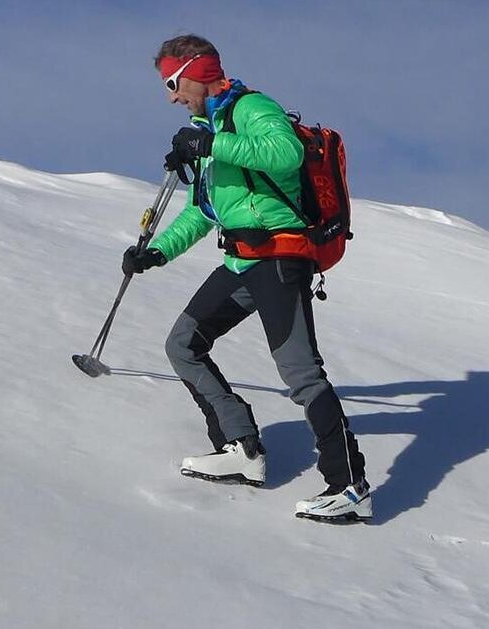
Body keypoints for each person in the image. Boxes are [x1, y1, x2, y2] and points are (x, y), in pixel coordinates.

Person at [126, 34, 370, 523]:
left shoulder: (252, 107)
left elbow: (285, 154)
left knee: (300, 374)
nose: (172, 96)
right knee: (184, 344)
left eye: (173, 83)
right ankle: (241, 448)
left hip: (280, 254)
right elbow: (204, 212)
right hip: (240, 259)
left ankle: (350, 487)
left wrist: (212, 143)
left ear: (199, 70)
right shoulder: (209, 127)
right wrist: (155, 253)